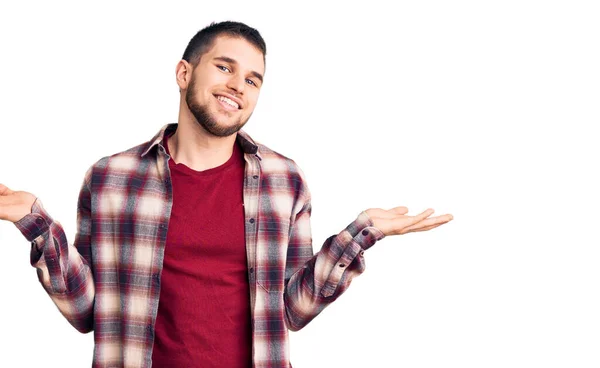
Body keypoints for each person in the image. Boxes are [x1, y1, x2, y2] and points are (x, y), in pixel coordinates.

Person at [0, 21, 453, 368]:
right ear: (184, 73)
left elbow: (293, 310)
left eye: (253, 79)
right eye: (225, 67)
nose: (239, 84)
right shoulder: (110, 178)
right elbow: (85, 313)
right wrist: (36, 222)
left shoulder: (285, 181)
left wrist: (362, 232)